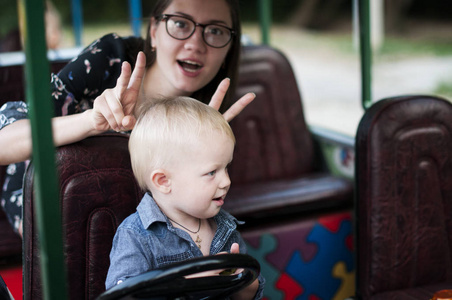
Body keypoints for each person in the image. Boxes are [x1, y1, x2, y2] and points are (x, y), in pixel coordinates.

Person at [0, 0, 255, 236]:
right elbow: (4, 143)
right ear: (154, 31)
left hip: (133, 230)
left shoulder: (215, 111)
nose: (196, 44)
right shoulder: (110, 59)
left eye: (215, 31)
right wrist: (92, 122)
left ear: (229, 49)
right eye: (180, 24)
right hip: (50, 208)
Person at [105, 96, 264, 299]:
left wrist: (243, 283)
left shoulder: (226, 227)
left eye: (226, 168)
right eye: (211, 172)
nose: (226, 181)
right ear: (163, 181)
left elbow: (250, 294)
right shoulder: (136, 236)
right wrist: (190, 283)